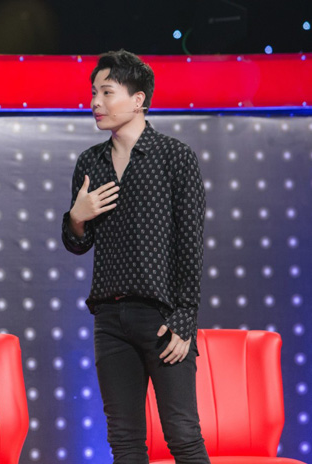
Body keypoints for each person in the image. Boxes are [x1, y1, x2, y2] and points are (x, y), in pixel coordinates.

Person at [62, 50, 210, 463]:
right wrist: (76, 217)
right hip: (109, 320)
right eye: (93, 93)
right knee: (124, 441)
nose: (96, 102)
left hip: (163, 318)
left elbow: (190, 244)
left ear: (139, 99)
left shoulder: (175, 157)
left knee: (182, 434)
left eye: (107, 92)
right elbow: (77, 243)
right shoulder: (90, 162)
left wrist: (185, 319)